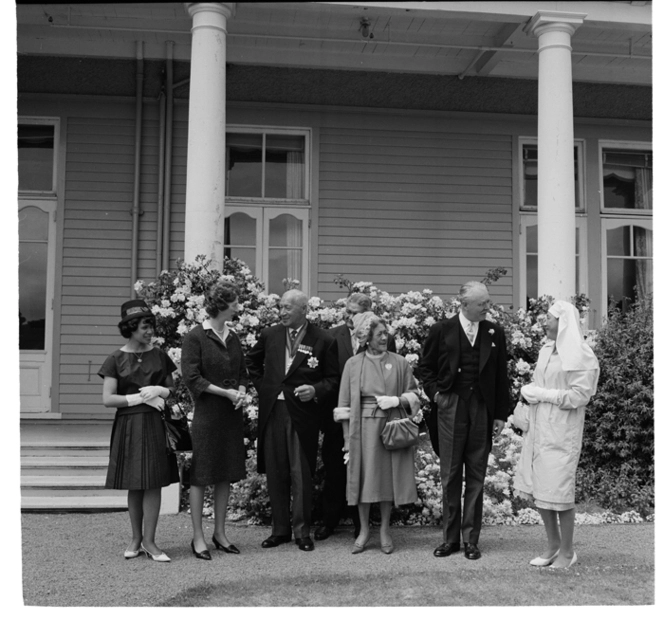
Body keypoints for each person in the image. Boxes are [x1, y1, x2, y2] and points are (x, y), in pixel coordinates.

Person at [419, 281, 511, 560]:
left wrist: (499, 414)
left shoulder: (495, 332)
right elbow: (425, 367)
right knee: (449, 475)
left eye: (488, 302)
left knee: (476, 475)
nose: (487, 307)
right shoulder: (441, 330)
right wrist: (436, 395)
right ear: (464, 304)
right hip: (450, 406)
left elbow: (500, 376)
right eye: (482, 303)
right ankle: (450, 540)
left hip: (482, 409)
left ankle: (471, 540)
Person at [246, 289, 340, 552]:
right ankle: (280, 531)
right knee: (276, 472)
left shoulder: (323, 339)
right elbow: (251, 362)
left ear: (304, 310)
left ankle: (302, 532)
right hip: (273, 412)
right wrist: (265, 387)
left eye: (288, 308)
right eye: (281, 307)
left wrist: (315, 390)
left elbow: (333, 379)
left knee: (301, 473)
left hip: (303, 414)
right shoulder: (270, 334)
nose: (283, 312)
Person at [513, 300, 599, 569]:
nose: (544, 322)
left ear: (562, 323)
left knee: (560, 492)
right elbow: (542, 383)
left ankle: (567, 551)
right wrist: (531, 391)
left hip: (562, 431)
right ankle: (552, 545)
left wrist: (543, 394)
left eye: (549, 318)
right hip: (539, 428)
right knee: (542, 489)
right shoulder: (546, 349)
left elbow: (580, 395)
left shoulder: (581, 355)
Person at [99, 300, 179, 562]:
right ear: (131, 328)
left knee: (153, 481)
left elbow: (173, 389)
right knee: (135, 482)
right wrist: (139, 398)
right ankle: (135, 539)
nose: (150, 331)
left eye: (151, 326)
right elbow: (109, 399)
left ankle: (150, 542)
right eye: (145, 326)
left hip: (155, 423)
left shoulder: (159, 355)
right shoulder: (115, 359)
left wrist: (161, 391)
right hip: (130, 423)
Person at [336, 312, 420, 555]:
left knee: (385, 480)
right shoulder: (353, 364)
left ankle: (384, 529)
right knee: (363, 479)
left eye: (386, 333)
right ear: (366, 337)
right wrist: (346, 439)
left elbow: (414, 396)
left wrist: (396, 400)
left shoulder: (401, 362)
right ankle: (363, 530)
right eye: (379, 334)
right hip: (361, 429)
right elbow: (343, 405)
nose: (385, 337)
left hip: (390, 426)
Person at [315, 293, 396, 542]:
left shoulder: (382, 338)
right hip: (338, 415)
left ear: (366, 313)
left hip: (372, 417)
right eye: (346, 311)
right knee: (334, 467)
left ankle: (360, 525)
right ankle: (329, 520)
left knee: (367, 469)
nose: (348, 317)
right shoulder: (331, 336)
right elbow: (326, 374)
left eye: (354, 313)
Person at [181, 283, 248, 560]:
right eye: (234, 303)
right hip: (208, 415)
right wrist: (225, 392)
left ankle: (219, 533)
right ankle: (198, 537)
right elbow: (191, 377)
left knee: (226, 472)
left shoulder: (232, 337)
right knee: (202, 475)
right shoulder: (196, 337)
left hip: (231, 415)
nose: (237, 307)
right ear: (221, 304)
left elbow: (243, 372)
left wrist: (242, 391)